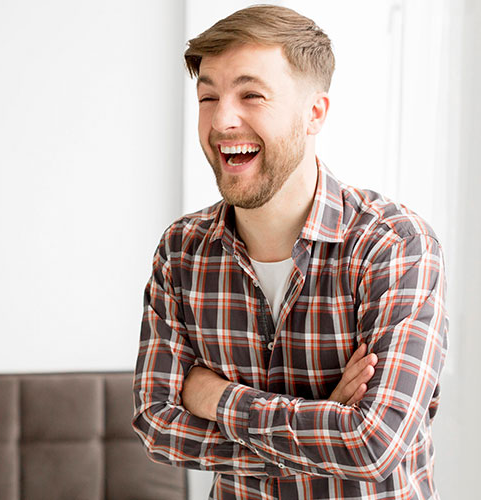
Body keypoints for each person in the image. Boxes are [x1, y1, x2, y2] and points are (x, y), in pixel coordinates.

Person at [132, 5, 448, 500]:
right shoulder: (181, 252)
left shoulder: (394, 247)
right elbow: (157, 426)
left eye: (251, 94)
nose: (221, 118)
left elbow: (374, 445)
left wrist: (217, 399)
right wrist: (323, 425)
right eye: (208, 96)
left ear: (314, 113)